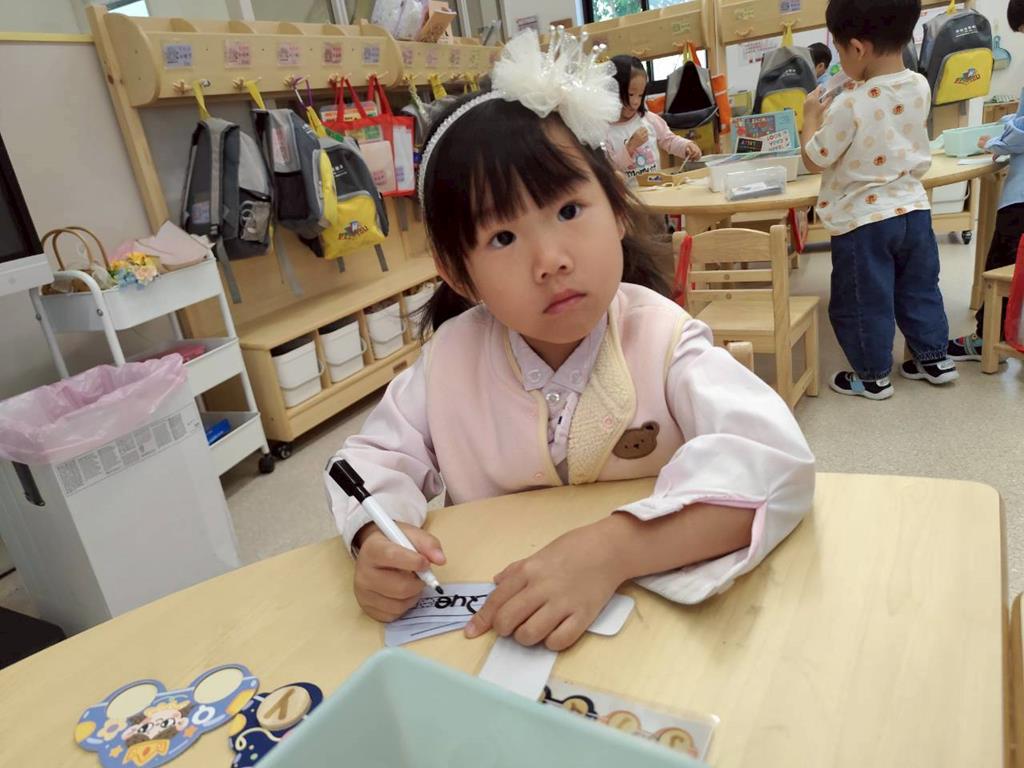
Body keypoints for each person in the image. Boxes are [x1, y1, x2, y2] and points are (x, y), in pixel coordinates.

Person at [324, 30, 815, 651]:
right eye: (502, 238)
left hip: (655, 635)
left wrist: (614, 548)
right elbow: (366, 464)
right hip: (501, 632)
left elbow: (777, 466)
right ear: (458, 274)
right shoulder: (449, 362)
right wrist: (378, 537)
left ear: (617, 209)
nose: (550, 260)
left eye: (567, 211)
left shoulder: (663, 339)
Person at [801, 0, 958, 400]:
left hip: (863, 221)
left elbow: (816, 158)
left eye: (839, 51)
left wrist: (811, 118)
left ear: (858, 48)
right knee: (920, 287)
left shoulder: (850, 102)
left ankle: (872, 376)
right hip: (914, 210)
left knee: (862, 300)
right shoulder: (919, 84)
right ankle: (933, 358)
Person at [947, 1, 1024, 360]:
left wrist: (997, 141)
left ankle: (986, 339)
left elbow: (1020, 130)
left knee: (1003, 264)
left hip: (1021, 198)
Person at [604, 55, 701, 183]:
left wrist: (687, 146)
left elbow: (669, 140)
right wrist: (630, 147)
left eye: (640, 95)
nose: (636, 101)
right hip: (629, 193)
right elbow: (610, 170)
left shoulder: (648, 119)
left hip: (656, 187)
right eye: (631, 94)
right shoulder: (604, 131)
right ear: (613, 91)